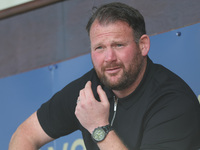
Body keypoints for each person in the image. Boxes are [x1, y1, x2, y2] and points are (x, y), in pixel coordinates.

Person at [9, 2, 200, 150]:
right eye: (99, 48)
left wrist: (99, 127)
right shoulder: (88, 89)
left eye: (118, 45)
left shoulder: (173, 101)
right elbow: (25, 134)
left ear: (143, 45)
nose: (109, 58)